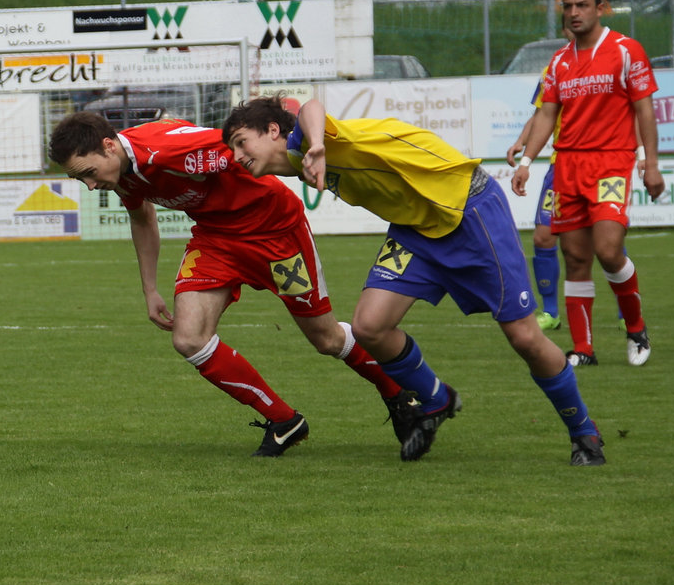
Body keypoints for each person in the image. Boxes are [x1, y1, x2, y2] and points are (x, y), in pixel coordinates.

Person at [223, 96, 606, 466]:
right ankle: (437, 399)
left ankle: (584, 431)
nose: (237, 155)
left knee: (525, 338)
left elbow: (310, 106)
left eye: (241, 142)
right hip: (415, 230)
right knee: (369, 326)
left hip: (468, 210)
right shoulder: (294, 160)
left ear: (273, 130)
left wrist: (319, 146)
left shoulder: (307, 142)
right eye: (232, 148)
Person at [48, 112, 416, 457]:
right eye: (81, 179)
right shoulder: (121, 171)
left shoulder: (172, 150)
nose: (91, 185)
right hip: (216, 240)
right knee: (188, 338)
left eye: (89, 173)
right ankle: (284, 420)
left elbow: (255, 149)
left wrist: (324, 163)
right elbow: (142, 217)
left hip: (275, 234)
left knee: (327, 339)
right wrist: (150, 290)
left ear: (109, 146)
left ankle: (401, 394)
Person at [511, 0, 664, 367]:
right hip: (568, 166)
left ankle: (636, 327)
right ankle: (583, 349)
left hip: (611, 162)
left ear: (601, 7)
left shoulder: (626, 50)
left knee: (609, 250)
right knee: (575, 258)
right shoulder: (559, 62)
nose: (574, 12)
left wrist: (650, 162)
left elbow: (645, 109)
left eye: (582, 5)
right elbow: (547, 115)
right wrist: (526, 162)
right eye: (568, 6)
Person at [507, 26, 638, 333]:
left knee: (607, 240)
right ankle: (550, 312)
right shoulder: (554, 67)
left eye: (581, 8)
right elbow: (542, 114)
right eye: (569, 13)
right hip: (561, 168)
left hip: (601, 164)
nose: (574, 22)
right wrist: (522, 144)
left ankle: (626, 311)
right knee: (542, 237)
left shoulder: (610, 62)